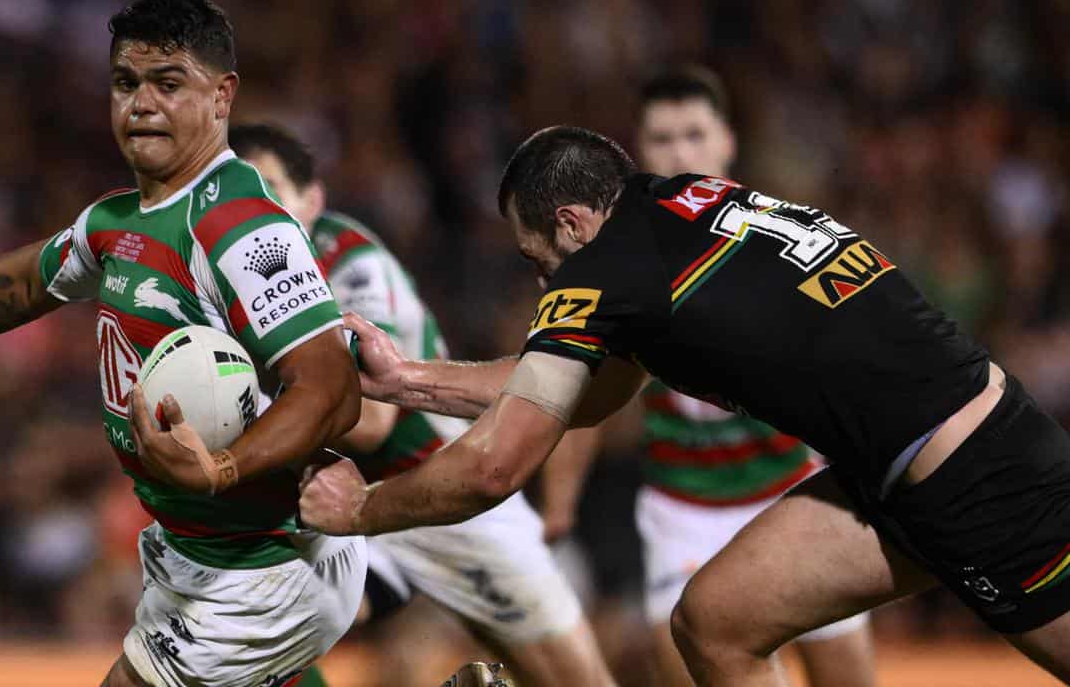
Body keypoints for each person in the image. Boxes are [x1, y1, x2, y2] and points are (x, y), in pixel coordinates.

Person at [299, 124, 1070, 686]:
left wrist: (360, 509)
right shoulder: (681, 210)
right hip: (907, 461)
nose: (542, 286)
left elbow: (495, 467)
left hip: (979, 483)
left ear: (571, 223)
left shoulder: (600, 275)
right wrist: (406, 380)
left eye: (538, 260)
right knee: (718, 622)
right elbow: (586, 395)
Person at [0, 0, 365, 687]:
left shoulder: (241, 226)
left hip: (264, 560)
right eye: (125, 83)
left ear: (222, 96)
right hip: (197, 546)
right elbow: (22, 281)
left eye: (169, 84)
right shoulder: (119, 220)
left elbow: (333, 389)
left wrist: (220, 470)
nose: (141, 104)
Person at [228, 122, 616, 687]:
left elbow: (375, 422)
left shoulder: (354, 268)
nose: (252, 212)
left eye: (268, 191)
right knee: (262, 637)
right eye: (238, 195)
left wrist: (246, 410)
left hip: (439, 492)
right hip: (344, 510)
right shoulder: (221, 279)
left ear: (311, 201)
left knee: (575, 681)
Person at [541, 66, 873, 687]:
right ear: (637, 151)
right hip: (682, 512)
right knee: (693, 665)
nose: (680, 152)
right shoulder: (615, 263)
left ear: (728, 142)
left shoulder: (777, 235)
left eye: (695, 134)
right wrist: (558, 509)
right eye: (662, 138)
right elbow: (580, 390)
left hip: (792, 492)